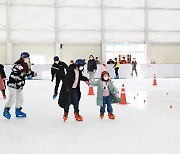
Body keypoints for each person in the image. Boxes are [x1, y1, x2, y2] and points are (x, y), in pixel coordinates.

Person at [3, 52, 37, 119]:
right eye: (26, 57)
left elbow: (27, 73)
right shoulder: (18, 63)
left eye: (28, 57)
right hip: (13, 84)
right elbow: (14, 67)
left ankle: (18, 111)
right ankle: (6, 110)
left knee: (20, 99)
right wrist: (18, 67)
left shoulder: (27, 65)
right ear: (22, 57)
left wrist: (33, 74)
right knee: (12, 98)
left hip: (19, 85)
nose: (27, 59)